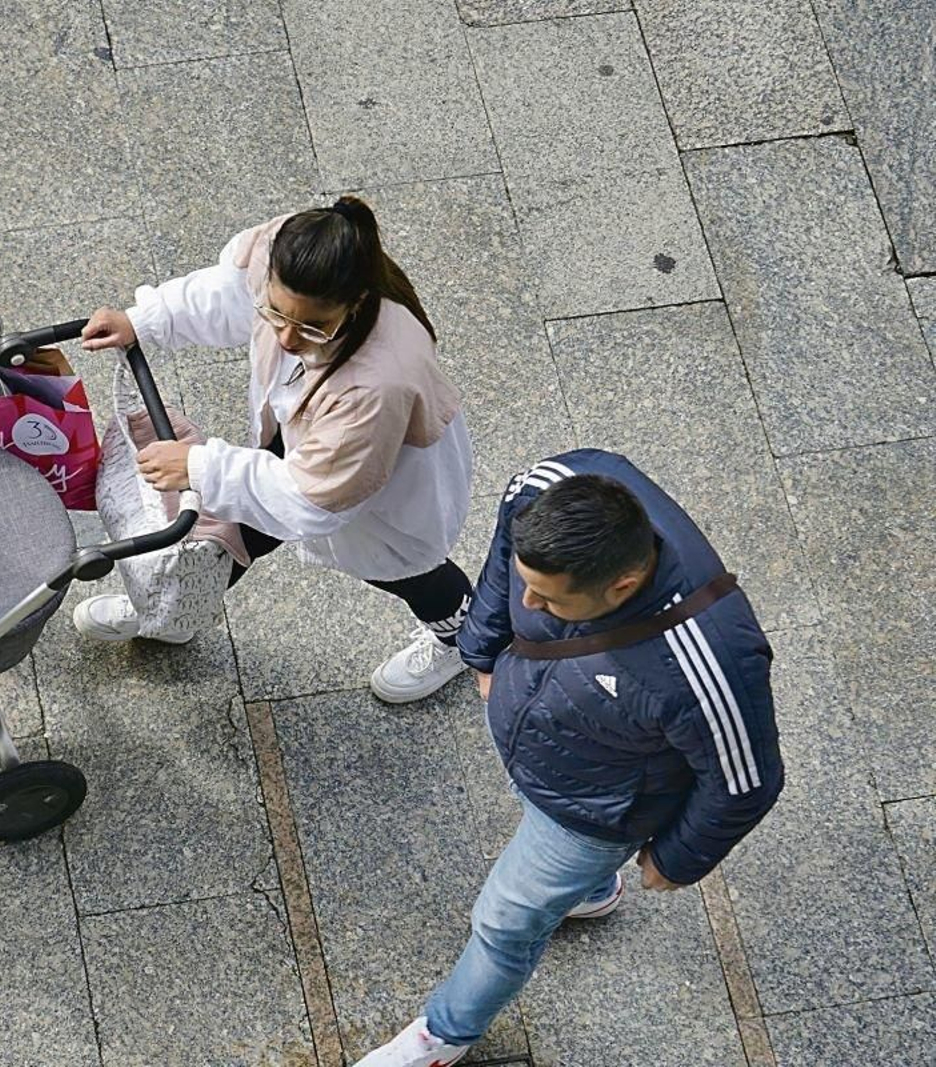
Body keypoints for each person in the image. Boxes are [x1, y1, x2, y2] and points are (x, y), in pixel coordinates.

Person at [356, 451, 784, 1066]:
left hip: (593, 813)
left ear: (623, 586)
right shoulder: (547, 487)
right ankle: (586, 890)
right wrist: (481, 648)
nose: (529, 602)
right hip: (550, 738)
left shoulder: (709, 665)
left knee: (504, 924)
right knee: (538, 850)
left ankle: (443, 1036)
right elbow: (507, 556)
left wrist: (676, 859)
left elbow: (746, 781)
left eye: (551, 601)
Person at [77, 197, 476, 704]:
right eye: (277, 314)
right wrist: (147, 320)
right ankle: (174, 606)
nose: (285, 336)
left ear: (355, 305)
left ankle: (459, 633)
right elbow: (230, 292)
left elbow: (312, 501)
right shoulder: (284, 252)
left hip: (373, 474)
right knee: (228, 531)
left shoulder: (378, 385)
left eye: (311, 327)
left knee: (404, 568)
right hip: (310, 425)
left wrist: (200, 465)